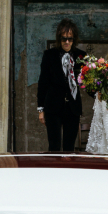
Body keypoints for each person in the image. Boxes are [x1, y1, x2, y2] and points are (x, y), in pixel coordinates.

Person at [37, 19, 86, 151]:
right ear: (59, 38)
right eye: (64, 39)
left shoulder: (81, 56)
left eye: (70, 39)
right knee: (54, 146)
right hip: (53, 107)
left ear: (74, 39)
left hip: (73, 108)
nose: (67, 42)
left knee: (69, 147)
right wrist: (41, 109)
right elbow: (43, 83)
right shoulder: (49, 55)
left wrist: (100, 91)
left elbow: (87, 81)